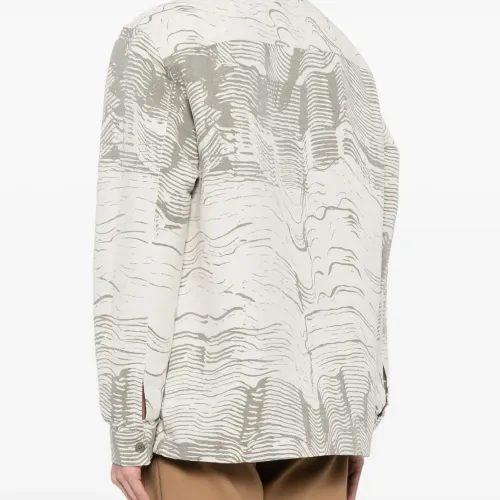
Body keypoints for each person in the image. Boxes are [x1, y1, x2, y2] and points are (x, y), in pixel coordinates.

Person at [92, 0, 400, 498]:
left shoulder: (161, 38)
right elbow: (372, 234)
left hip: (204, 411)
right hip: (326, 409)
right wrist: (357, 412)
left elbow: (140, 240)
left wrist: (130, 422)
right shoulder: (340, 51)